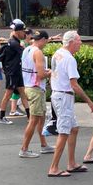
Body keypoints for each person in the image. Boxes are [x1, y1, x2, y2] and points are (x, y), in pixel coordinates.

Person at [47, 30, 93, 177]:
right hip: (64, 96)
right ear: (71, 42)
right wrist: (89, 101)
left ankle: (71, 163)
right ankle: (54, 168)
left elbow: (53, 74)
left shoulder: (57, 53)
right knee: (64, 131)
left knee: (73, 128)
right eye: (78, 40)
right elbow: (74, 84)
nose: (80, 43)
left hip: (59, 94)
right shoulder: (69, 59)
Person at [19, 30, 55, 158]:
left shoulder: (27, 49)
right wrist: (50, 72)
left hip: (29, 86)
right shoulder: (38, 52)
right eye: (46, 41)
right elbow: (40, 74)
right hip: (36, 88)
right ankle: (24, 149)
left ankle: (44, 145)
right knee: (34, 120)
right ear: (44, 40)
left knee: (41, 117)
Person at [0, 19, 29, 125]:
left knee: (23, 94)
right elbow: (25, 54)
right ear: (18, 31)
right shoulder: (14, 43)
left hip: (17, 72)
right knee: (8, 94)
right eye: (23, 31)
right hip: (12, 73)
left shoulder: (16, 41)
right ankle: (1, 117)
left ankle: (30, 117)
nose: (24, 33)